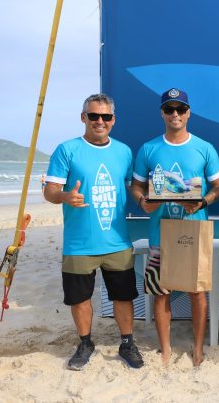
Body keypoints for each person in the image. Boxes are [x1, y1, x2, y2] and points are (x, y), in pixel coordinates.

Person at [44, 93, 144, 370]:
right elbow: (49, 191)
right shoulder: (67, 150)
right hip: (79, 244)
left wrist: (148, 200)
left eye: (106, 116)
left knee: (123, 297)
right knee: (80, 298)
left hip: (117, 241)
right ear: (83, 117)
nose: (100, 121)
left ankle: (127, 342)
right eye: (93, 116)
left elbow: (130, 186)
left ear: (113, 120)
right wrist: (65, 197)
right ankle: (86, 343)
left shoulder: (124, 151)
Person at [130, 88, 219, 366]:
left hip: (193, 232)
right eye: (169, 109)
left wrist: (203, 203)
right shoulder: (148, 149)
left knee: (198, 292)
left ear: (188, 113)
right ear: (162, 113)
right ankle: (166, 349)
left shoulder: (204, 148)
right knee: (161, 293)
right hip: (160, 233)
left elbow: (218, 187)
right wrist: (142, 201)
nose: (175, 114)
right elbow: (136, 186)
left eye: (180, 109)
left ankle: (197, 348)